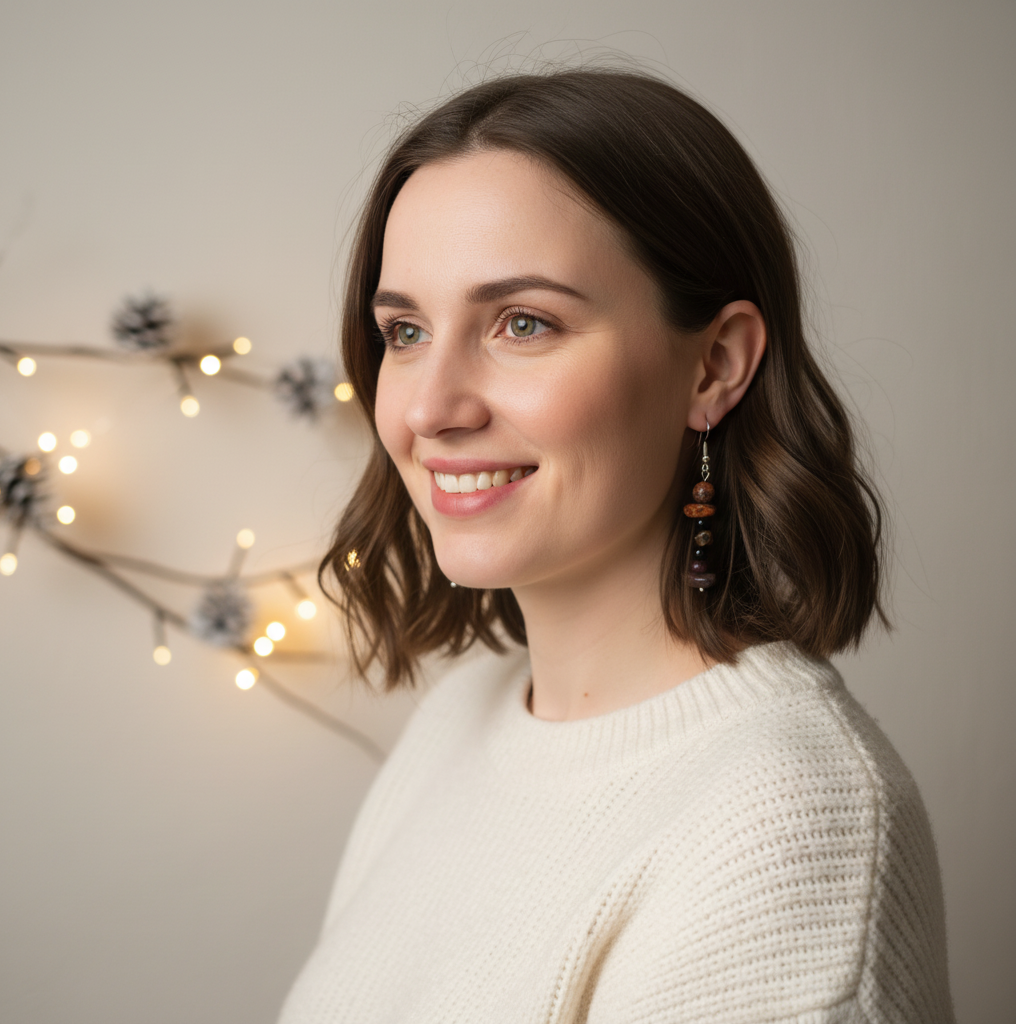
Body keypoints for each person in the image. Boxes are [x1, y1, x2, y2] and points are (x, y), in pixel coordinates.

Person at [278, 68, 955, 1023]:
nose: (429, 408)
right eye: (406, 330)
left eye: (523, 323)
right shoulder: (461, 719)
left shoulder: (790, 829)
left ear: (714, 365)